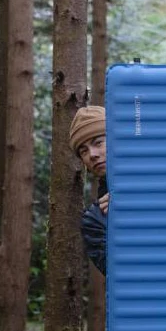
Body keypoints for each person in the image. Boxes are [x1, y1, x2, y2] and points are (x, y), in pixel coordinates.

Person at [69, 105, 110, 275]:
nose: (92, 154)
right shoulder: (94, 220)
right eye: (83, 151)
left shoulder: (161, 180)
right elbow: (118, 271)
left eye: (98, 143)